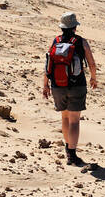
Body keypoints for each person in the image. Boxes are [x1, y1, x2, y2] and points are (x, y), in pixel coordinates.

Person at [42, 12, 97, 165]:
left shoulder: (56, 41)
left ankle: (68, 149)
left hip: (57, 86)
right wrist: (93, 78)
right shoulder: (80, 42)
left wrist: (45, 85)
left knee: (65, 118)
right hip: (76, 85)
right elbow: (91, 63)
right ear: (74, 27)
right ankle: (72, 155)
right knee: (74, 120)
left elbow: (48, 64)